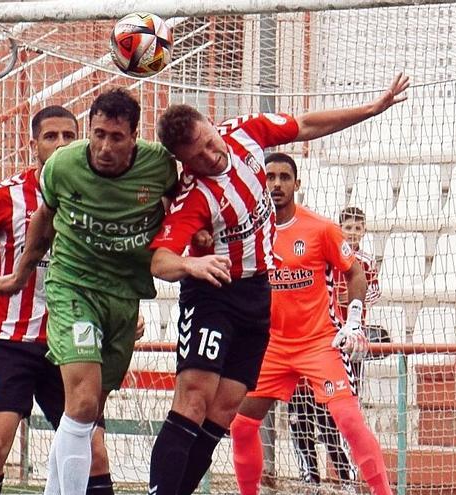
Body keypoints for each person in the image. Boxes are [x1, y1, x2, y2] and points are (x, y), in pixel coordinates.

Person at [147, 73, 410, 495]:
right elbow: (159, 260)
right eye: (199, 156)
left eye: (211, 142)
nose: (213, 156)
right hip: (215, 294)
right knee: (196, 401)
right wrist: (192, 266)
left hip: (263, 303)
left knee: (224, 411)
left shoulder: (247, 134)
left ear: (214, 126)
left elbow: (305, 125)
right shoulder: (193, 196)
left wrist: (371, 109)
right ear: (185, 162)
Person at [0, 106, 131, 495]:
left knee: (95, 450)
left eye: (69, 136)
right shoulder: (4, 197)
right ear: (33, 144)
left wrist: (124, 306)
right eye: (51, 136)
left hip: (75, 340)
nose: (60, 144)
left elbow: (120, 253)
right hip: (11, 341)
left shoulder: (99, 193)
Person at [0, 88, 179, 495]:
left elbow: (178, 206)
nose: (104, 146)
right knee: (81, 402)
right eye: (97, 134)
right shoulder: (63, 166)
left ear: (134, 136)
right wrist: (23, 272)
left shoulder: (159, 166)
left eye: (115, 136)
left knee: (90, 408)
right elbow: (45, 216)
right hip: (73, 287)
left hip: (123, 296)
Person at [227, 151, 397, 495]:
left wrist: (354, 321)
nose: (276, 183)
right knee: (242, 425)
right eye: (270, 177)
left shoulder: (321, 229)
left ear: (296, 184)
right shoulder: (250, 232)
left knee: (348, 421)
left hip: (319, 343)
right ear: (261, 183)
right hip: (272, 346)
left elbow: (354, 272)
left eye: (284, 177)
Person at [287, 205, 382, 487]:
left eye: (357, 228)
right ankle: (310, 473)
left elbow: (373, 291)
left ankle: (345, 473)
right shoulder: (328, 254)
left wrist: (351, 300)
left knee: (340, 411)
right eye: (348, 228)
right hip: (317, 339)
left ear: (364, 231)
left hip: (349, 342)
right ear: (341, 229)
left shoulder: (362, 260)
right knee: (304, 408)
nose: (352, 233)